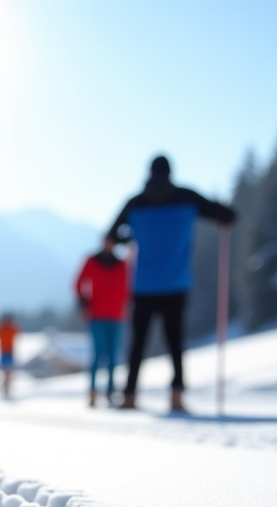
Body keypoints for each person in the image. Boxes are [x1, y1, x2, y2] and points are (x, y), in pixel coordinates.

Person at [108, 155, 236, 412]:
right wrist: (224, 213)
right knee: (175, 341)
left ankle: (130, 394)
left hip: (143, 284)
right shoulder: (186, 198)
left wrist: (130, 237)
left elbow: (112, 236)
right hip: (176, 283)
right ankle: (176, 394)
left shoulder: (135, 203)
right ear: (170, 173)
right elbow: (226, 216)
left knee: (138, 342)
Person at [74, 236, 129, 407]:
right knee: (98, 355)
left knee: (113, 356)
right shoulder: (91, 261)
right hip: (96, 315)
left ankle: (111, 391)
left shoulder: (122, 265)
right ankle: (92, 391)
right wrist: (84, 301)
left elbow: (128, 288)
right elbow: (78, 282)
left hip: (117, 316)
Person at [0, 314, 19, 399]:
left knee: (8, 372)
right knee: (5, 372)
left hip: (9, 351)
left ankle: (7, 389)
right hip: (3, 352)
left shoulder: (10, 329)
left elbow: (17, 331)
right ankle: (5, 389)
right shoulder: (2, 329)